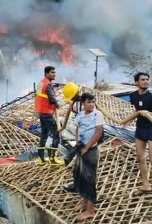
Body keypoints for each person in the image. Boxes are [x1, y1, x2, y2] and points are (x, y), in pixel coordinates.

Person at [129, 72, 152, 204]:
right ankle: (145, 185)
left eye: (147, 79)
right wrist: (136, 114)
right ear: (136, 82)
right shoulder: (133, 96)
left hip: (151, 130)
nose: (145, 81)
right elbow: (135, 109)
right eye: (142, 80)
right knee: (140, 157)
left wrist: (148, 113)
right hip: (140, 129)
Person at [73, 92, 105, 222]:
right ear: (83, 103)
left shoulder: (97, 114)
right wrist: (77, 143)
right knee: (81, 176)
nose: (91, 104)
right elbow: (76, 129)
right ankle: (84, 200)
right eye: (89, 102)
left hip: (90, 150)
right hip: (81, 149)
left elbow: (98, 133)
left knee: (90, 179)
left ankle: (90, 210)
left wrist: (87, 147)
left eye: (93, 102)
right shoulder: (80, 115)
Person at [35, 66, 64, 165]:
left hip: (41, 112)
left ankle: (41, 158)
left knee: (44, 134)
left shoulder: (40, 82)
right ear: (46, 73)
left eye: (54, 72)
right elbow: (51, 98)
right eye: (52, 72)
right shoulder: (48, 84)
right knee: (56, 134)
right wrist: (57, 104)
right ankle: (53, 158)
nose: (54, 74)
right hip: (47, 112)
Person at [61, 82, 82, 193]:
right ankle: (76, 185)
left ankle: (80, 187)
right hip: (81, 137)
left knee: (82, 165)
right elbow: (75, 110)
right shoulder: (78, 102)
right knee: (74, 162)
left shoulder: (86, 102)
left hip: (88, 138)